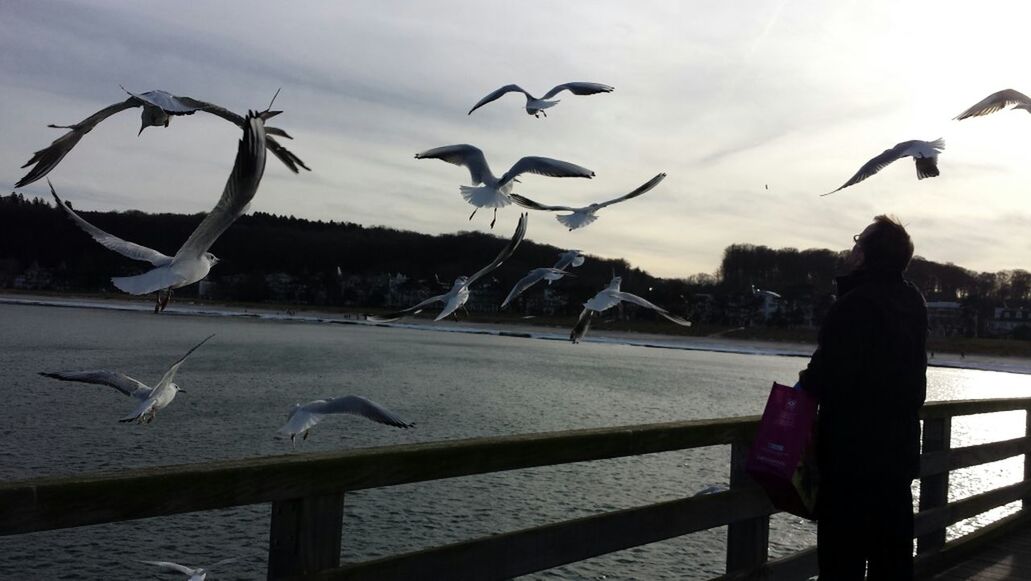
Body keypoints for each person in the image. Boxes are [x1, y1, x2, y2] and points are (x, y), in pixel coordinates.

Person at [798, 215, 928, 581]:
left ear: (866, 256)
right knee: (893, 559)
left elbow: (829, 374)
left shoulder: (856, 304)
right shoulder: (912, 300)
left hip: (852, 457)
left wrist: (804, 385)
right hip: (898, 453)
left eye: (858, 242)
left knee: (843, 562)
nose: (852, 248)